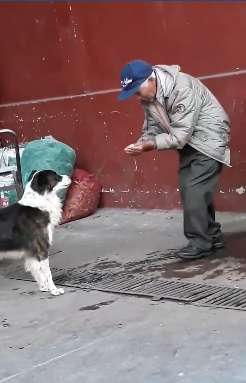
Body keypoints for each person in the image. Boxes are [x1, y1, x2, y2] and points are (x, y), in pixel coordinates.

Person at [118, 59, 230, 260]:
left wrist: (149, 145)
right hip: (189, 143)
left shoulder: (182, 88)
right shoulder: (148, 98)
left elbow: (180, 135)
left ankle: (199, 242)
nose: (136, 96)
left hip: (208, 139)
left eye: (136, 90)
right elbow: (152, 127)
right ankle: (213, 235)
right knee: (192, 189)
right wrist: (141, 142)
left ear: (151, 80)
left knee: (194, 189)